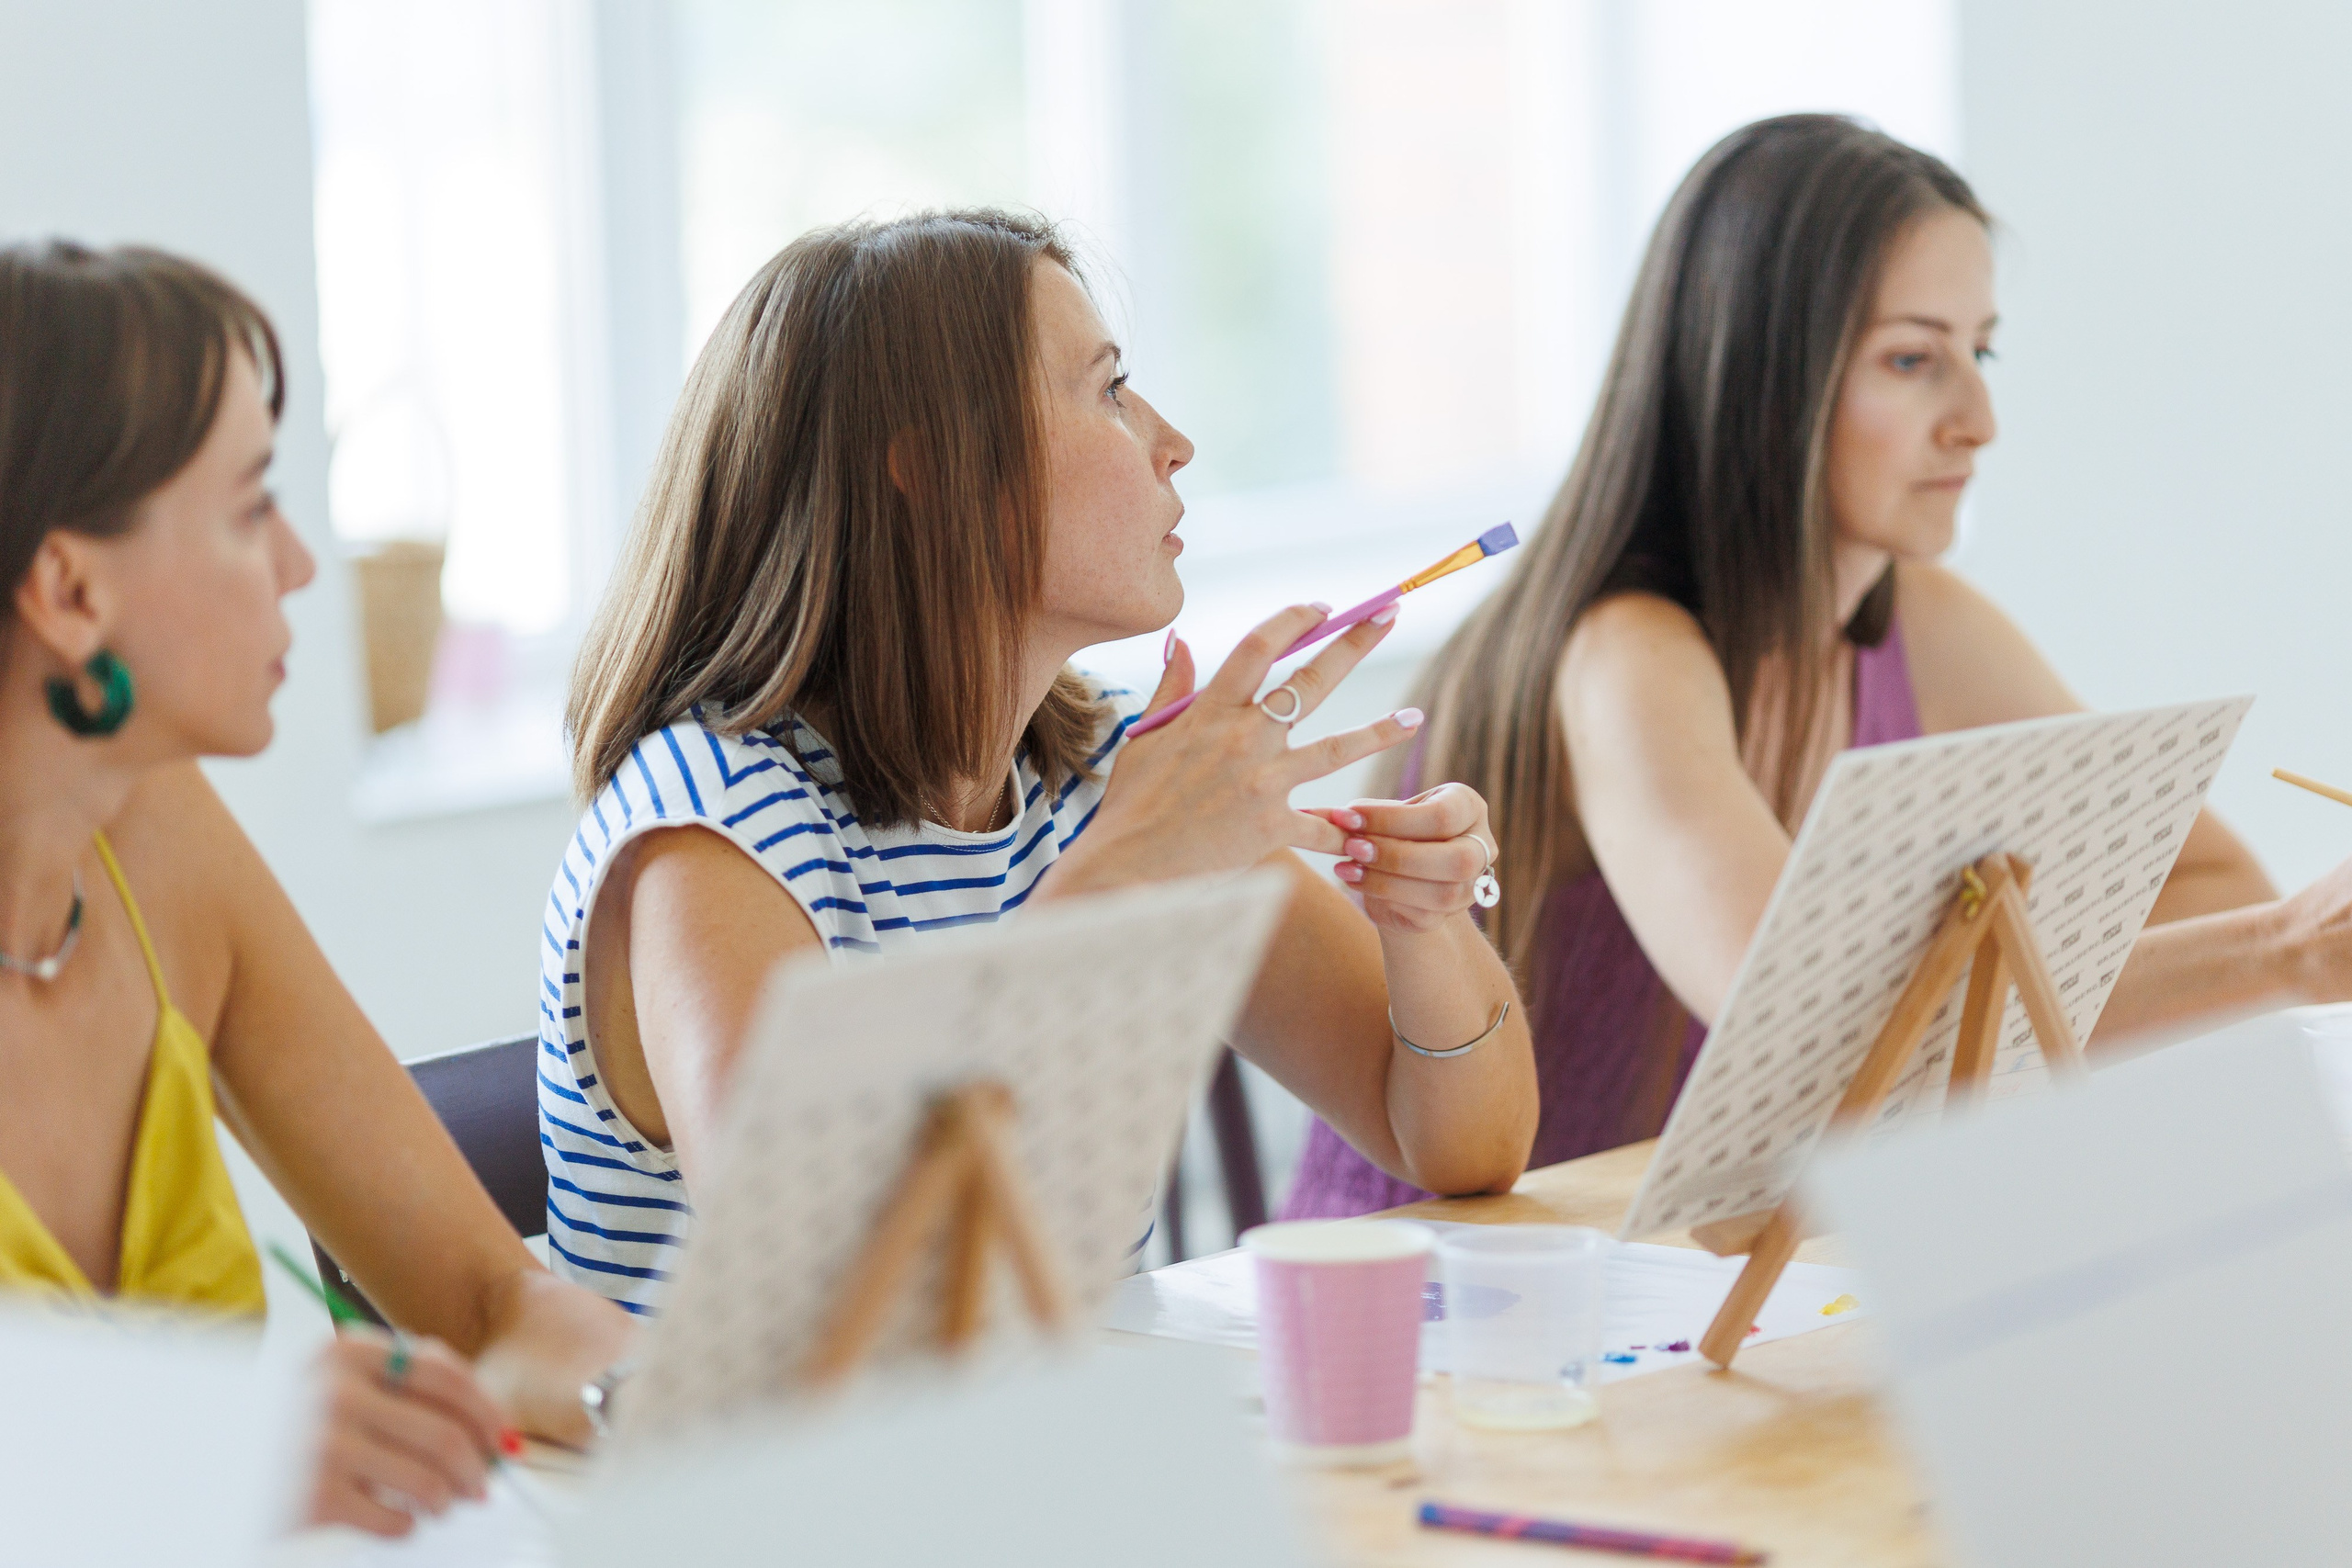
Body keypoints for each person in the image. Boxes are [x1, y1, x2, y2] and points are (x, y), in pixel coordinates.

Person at [1286, 112, 2352, 1218]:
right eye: (1912, 359)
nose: (1978, 419)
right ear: (1762, 383)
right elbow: (1807, 1029)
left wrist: (1988, 960)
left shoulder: (1918, 621)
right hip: (1462, 1313)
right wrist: (2285, 953)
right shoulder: (1626, 655)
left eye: (1977, 352)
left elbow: (2212, 883)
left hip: (1704, 1270)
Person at [539, 209, 1537, 1312]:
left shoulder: (1097, 771)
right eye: (1108, 391)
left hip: (1044, 1451)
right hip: (790, 1480)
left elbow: (1460, 1147)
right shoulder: (706, 832)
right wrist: (1122, 881)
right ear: (934, 467)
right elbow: (834, 1288)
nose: (1171, 441)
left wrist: (1423, 927)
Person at [0, 241, 632, 1536]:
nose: (300, 563)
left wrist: (659, 1386)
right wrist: (208, 1454)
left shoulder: (154, 838)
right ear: (69, 588)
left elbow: (488, 1301)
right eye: (250, 507)